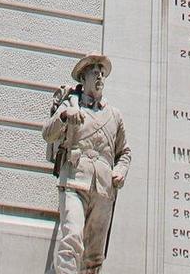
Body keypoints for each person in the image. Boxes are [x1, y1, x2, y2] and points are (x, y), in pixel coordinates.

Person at [44, 54, 130, 274]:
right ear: (83, 77)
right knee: (72, 236)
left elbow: (124, 152)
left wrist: (120, 170)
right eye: (94, 71)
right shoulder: (70, 106)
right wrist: (64, 115)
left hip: (103, 189)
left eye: (102, 72)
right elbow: (48, 134)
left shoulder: (115, 115)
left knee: (94, 255)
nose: (100, 75)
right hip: (74, 181)